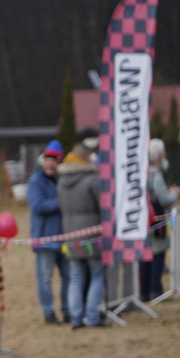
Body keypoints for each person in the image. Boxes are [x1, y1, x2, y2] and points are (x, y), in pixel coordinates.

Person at [57, 133, 107, 328]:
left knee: (75, 277)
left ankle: (76, 317)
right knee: (96, 275)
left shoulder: (61, 182)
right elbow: (102, 206)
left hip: (70, 234)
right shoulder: (92, 180)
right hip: (92, 235)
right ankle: (93, 316)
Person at [27, 140, 70, 324]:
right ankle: (48, 312)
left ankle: (68, 310)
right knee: (45, 279)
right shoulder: (35, 181)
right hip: (45, 238)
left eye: (54, 159)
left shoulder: (64, 180)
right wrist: (62, 202)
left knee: (69, 276)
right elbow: (38, 206)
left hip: (66, 237)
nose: (50, 163)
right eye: (48, 159)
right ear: (43, 160)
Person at [142, 138, 180, 301]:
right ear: (159, 155)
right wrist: (174, 194)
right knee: (157, 255)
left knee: (146, 256)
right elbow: (164, 199)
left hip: (145, 221)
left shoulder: (144, 173)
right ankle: (155, 290)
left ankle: (144, 291)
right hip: (156, 222)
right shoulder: (155, 174)